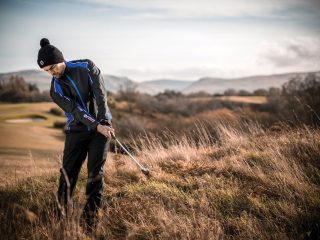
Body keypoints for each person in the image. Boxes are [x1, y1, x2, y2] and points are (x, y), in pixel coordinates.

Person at [37, 38, 114, 230]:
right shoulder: (55, 89)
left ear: (60, 59)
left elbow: (100, 94)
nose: (52, 73)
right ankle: (60, 219)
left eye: (53, 67)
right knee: (67, 175)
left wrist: (103, 121)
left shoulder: (86, 67)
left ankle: (90, 224)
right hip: (77, 131)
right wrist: (97, 125)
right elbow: (77, 111)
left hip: (101, 128)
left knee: (96, 176)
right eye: (47, 71)